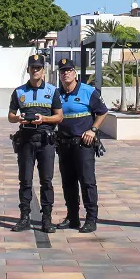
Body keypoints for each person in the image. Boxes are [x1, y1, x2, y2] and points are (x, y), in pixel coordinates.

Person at [8, 53, 63, 232]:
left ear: (43, 70)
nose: (35, 71)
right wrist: (18, 119)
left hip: (46, 140)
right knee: (25, 180)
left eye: (39, 68)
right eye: (33, 67)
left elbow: (59, 117)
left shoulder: (52, 91)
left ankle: (46, 218)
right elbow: (10, 116)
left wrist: (44, 119)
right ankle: (24, 217)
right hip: (25, 140)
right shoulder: (19, 92)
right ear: (28, 70)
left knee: (46, 181)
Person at [54, 56, 109, 233]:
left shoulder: (88, 91)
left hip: (83, 144)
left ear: (75, 73)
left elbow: (102, 112)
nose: (65, 74)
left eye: (68, 70)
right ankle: (72, 217)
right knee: (68, 182)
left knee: (87, 182)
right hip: (64, 144)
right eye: (62, 72)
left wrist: (93, 130)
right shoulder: (56, 94)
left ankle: (91, 218)